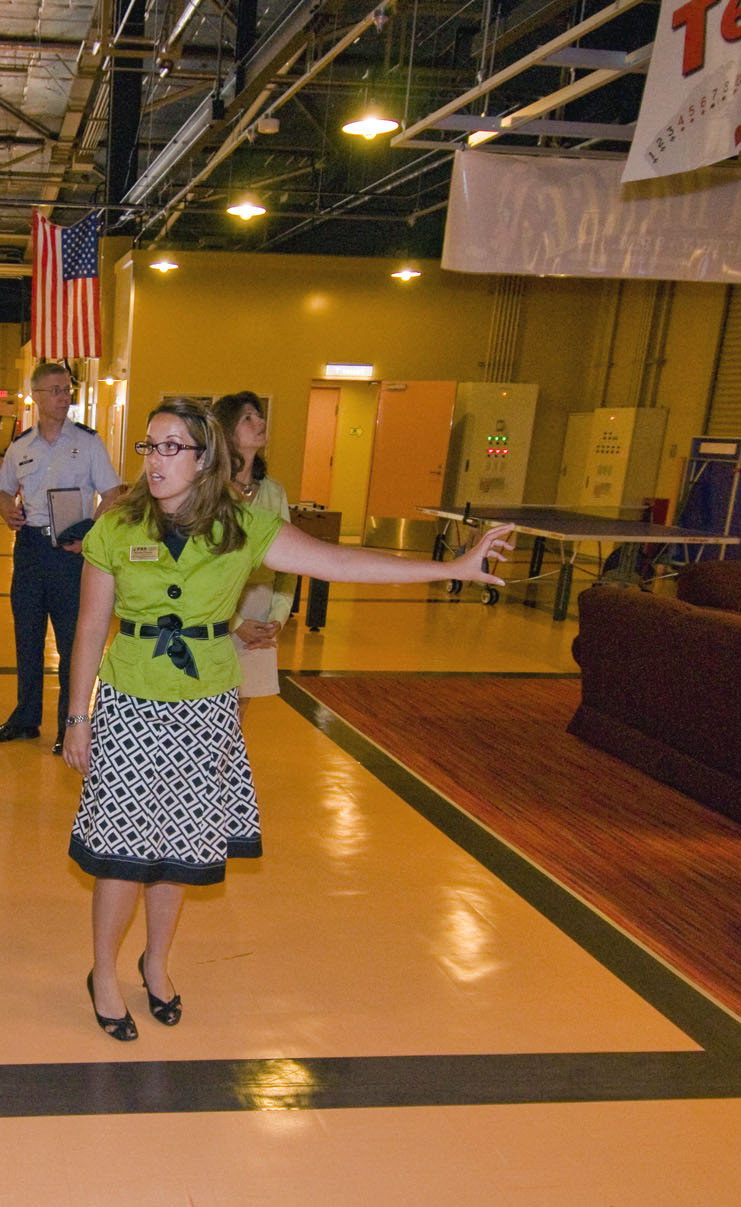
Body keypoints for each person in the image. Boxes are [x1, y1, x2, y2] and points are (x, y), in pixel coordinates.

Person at [60, 399, 513, 1041]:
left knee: (180, 847)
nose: (155, 460)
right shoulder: (116, 526)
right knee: (122, 851)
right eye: (150, 446)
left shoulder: (243, 525)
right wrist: (77, 716)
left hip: (205, 707)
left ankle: (155, 962)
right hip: (131, 702)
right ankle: (103, 973)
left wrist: (451, 568)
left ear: (205, 458)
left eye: (172, 447)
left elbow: (341, 562)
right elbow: (88, 627)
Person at [0, 361, 124, 754]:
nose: (64, 397)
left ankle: (69, 725)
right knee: (27, 637)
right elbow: (3, 489)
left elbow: (113, 494)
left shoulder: (88, 443)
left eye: (67, 390)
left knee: (71, 642)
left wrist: (90, 535)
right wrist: (6, 510)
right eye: (56, 390)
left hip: (70, 553)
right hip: (30, 550)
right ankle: (25, 719)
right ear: (37, 397)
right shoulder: (21, 446)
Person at [212, 392, 297, 714]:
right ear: (227, 430)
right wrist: (235, 623)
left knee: (241, 705)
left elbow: (289, 563)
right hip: (215, 609)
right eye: (247, 418)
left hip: (260, 607)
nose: (260, 421)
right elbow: (199, 569)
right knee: (212, 702)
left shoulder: (274, 491)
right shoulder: (210, 491)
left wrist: (278, 618)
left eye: (259, 415)